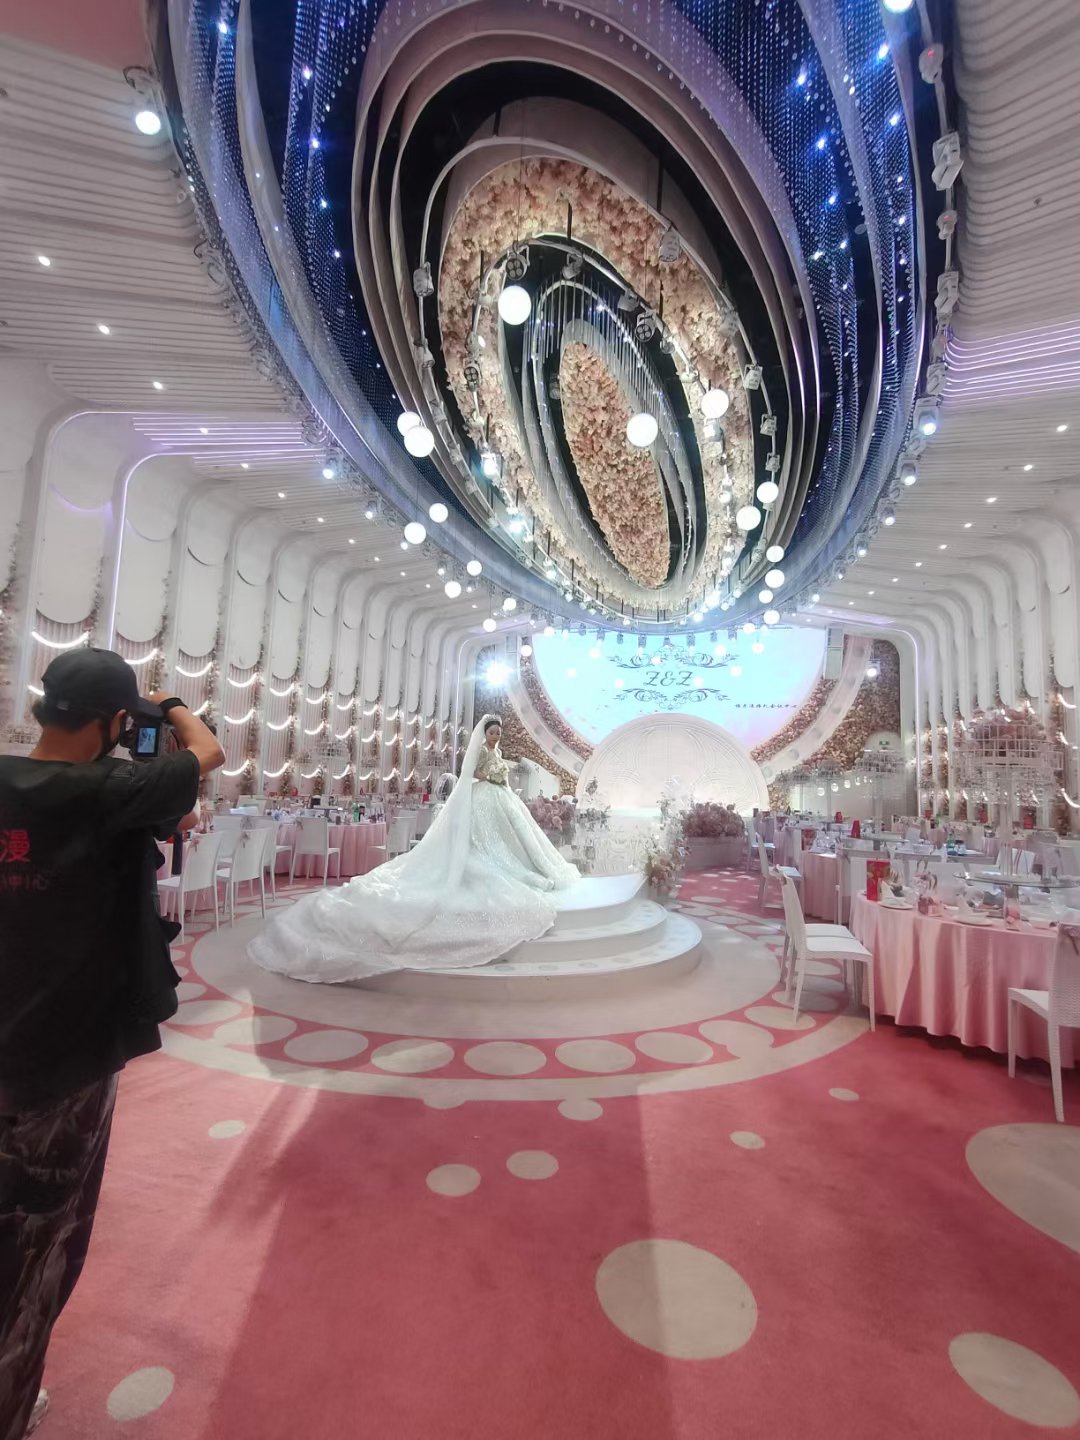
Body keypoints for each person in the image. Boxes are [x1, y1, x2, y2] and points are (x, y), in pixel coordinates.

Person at [0, 648, 224, 1440]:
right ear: (115, 722)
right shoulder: (109, 792)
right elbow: (207, 753)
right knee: (37, 1248)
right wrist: (172, 706)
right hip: (65, 1061)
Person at [251, 714, 579, 982]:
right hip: (482, 797)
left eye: (497, 734)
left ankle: (523, 865)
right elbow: (473, 774)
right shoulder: (481, 751)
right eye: (492, 733)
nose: (495, 737)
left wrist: (499, 777)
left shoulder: (497, 752)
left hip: (501, 799)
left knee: (512, 837)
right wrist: (489, 776)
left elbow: (496, 774)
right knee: (480, 840)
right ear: (485, 733)